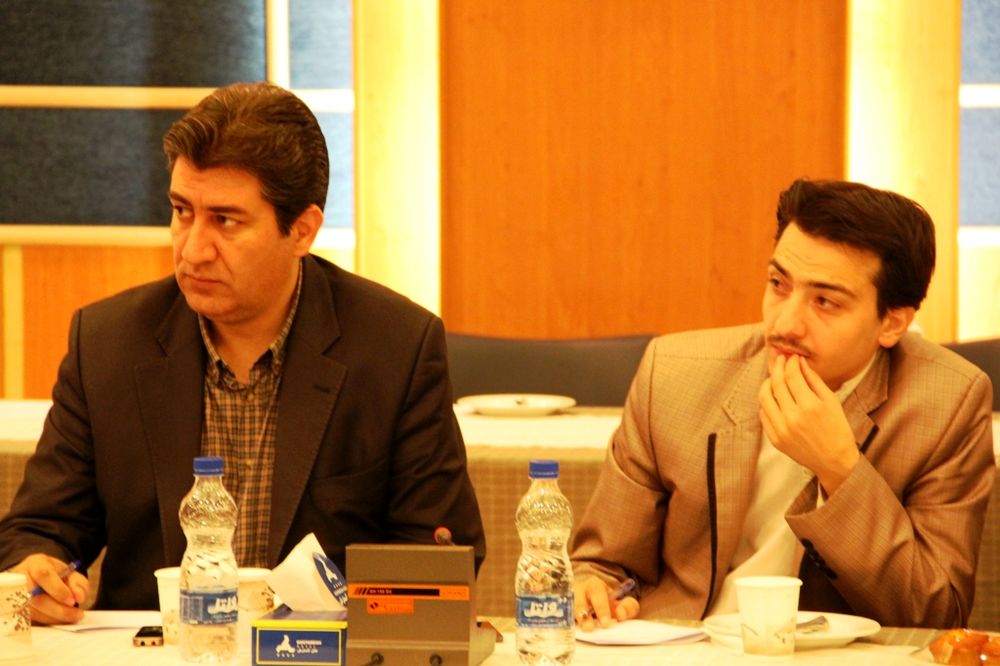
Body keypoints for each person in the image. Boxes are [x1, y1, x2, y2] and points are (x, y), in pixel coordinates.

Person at [0, 81, 486, 624]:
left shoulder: (395, 347)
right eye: (182, 211)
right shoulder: (108, 343)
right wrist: (37, 568)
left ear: (301, 231)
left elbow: (440, 556)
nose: (193, 250)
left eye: (225, 221)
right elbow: (40, 528)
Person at [571, 179, 995, 629]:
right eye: (778, 284)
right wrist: (594, 587)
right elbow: (604, 564)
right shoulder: (674, 375)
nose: (786, 323)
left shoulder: (947, 402)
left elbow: (935, 613)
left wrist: (840, 470)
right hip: (685, 645)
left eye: (825, 302)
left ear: (892, 323)